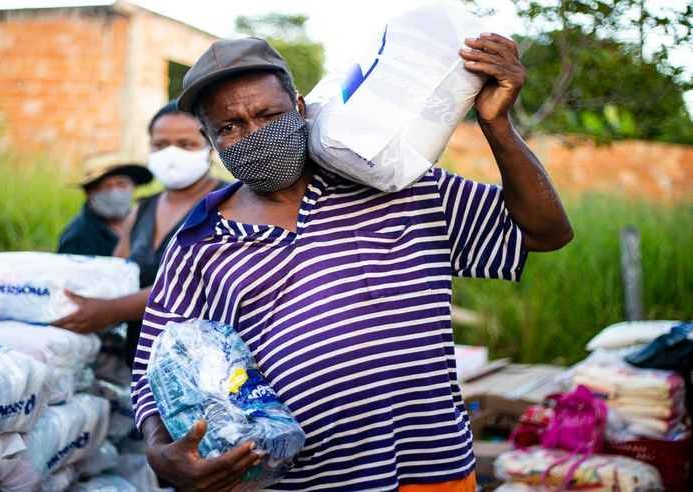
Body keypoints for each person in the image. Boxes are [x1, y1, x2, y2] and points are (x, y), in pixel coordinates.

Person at [131, 37, 573, 491]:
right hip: (309, 484)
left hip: (436, 472)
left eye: (269, 116)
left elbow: (545, 233)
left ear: (300, 108)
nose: (255, 135)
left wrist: (497, 124)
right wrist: (161, 453)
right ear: (209, 141)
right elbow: (154, 367)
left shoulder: (398, 183)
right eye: (230, 127)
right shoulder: (200, 240)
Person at [54, 102, 224, 365]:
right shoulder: (142, 209)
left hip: (206, 361)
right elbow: (117, 274)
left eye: (186, 144)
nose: (171, 153)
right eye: (160, 144)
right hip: (142, 357)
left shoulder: (231, 204)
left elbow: (197, 286)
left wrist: (110, 310)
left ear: (210, 146)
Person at [57, 154, 152, 256]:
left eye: (121, 184)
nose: (115, 193)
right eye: (106, 186)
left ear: (133, 187)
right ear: (89, 193)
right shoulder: (77, 236)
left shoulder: (146, 222)